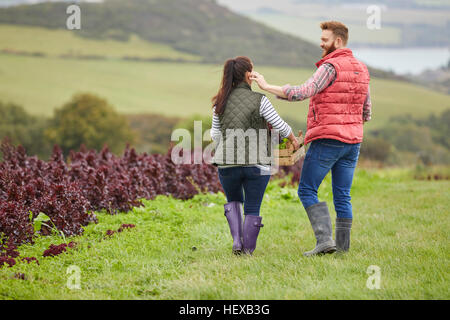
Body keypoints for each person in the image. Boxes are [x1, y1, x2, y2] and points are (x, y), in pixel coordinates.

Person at [250, 21, 372, 256]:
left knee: (306, 189)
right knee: (343, 194)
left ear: (337, 41)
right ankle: (343, 249)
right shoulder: (363, 69)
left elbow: (302, 92)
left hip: (327, 139)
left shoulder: (330, 66)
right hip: (353, 141)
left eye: (324, 40)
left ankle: (325, 240)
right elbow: (367, 112)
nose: (321, 43)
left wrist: (266, 86)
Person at [210, 56, 299, 255]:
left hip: (226, 163)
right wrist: (293, 140)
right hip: (257, 163)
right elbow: (280, 125)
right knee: (252, 207)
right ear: (249, 74)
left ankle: (236, 242)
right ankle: (248, 250)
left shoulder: (219, 102)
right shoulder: (260, 100)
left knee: (233, 201)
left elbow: (215, 134)